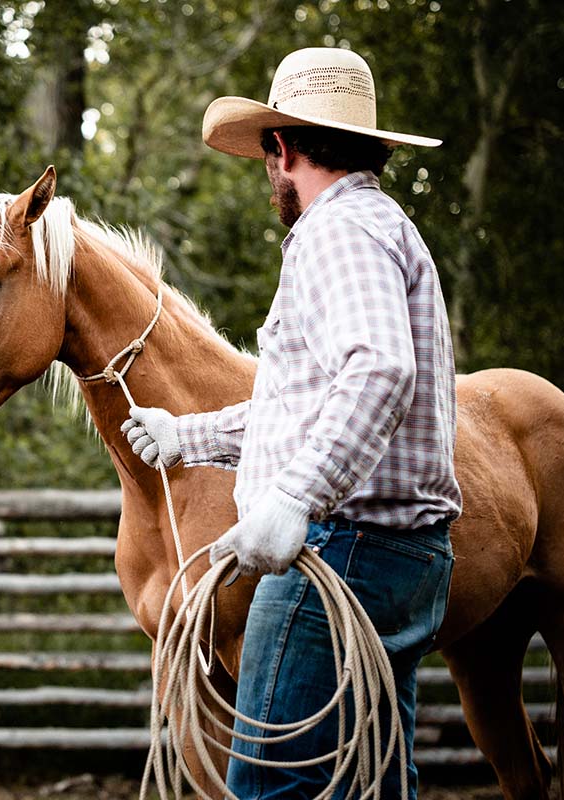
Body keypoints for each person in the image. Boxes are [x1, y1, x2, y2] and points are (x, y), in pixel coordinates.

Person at [121, 47, 462, 799]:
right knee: (371, 782)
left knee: (272, 787)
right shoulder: (381, 226)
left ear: (282, 147)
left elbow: (379, 371)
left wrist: (295, 500)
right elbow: (305, 406)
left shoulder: (338, 233)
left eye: (265, 154)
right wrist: (190, 437)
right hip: (398, 556)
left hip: (344, 551)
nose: (266, 173)